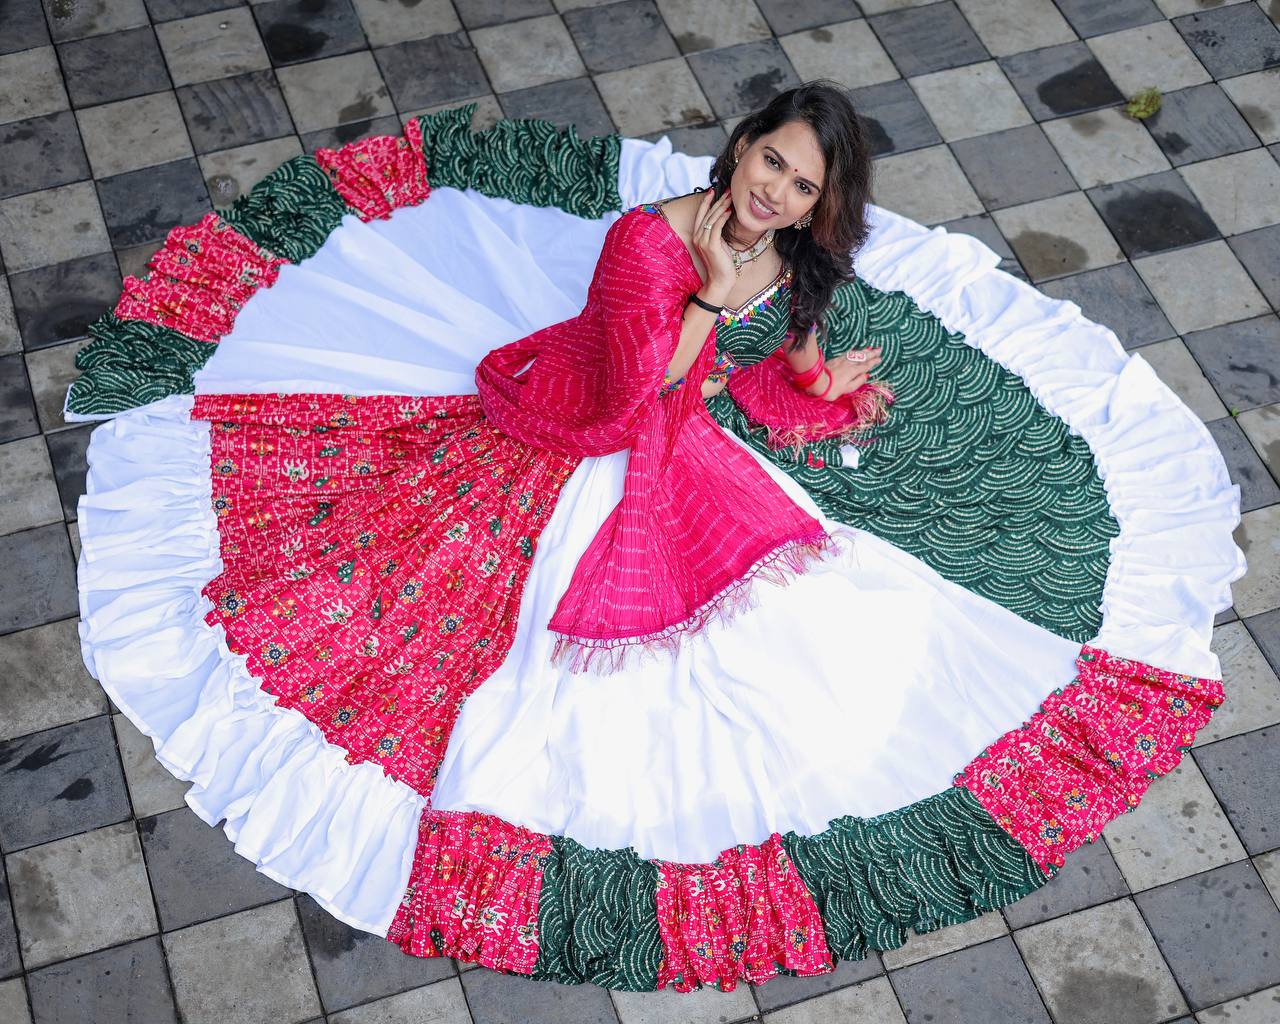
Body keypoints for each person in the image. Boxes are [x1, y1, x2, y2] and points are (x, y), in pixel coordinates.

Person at [72, 82, 1244, 994]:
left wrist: (816, 380)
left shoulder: (779, 250)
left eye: (801, 187)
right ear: (737, 148)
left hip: (671, 421)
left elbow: (766, 372)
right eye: (769, 163)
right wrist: (702, 293)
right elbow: (625, 406)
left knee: (824, 614)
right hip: (580, 418)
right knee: (487, 622)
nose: (776, 195)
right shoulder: (645, 244)